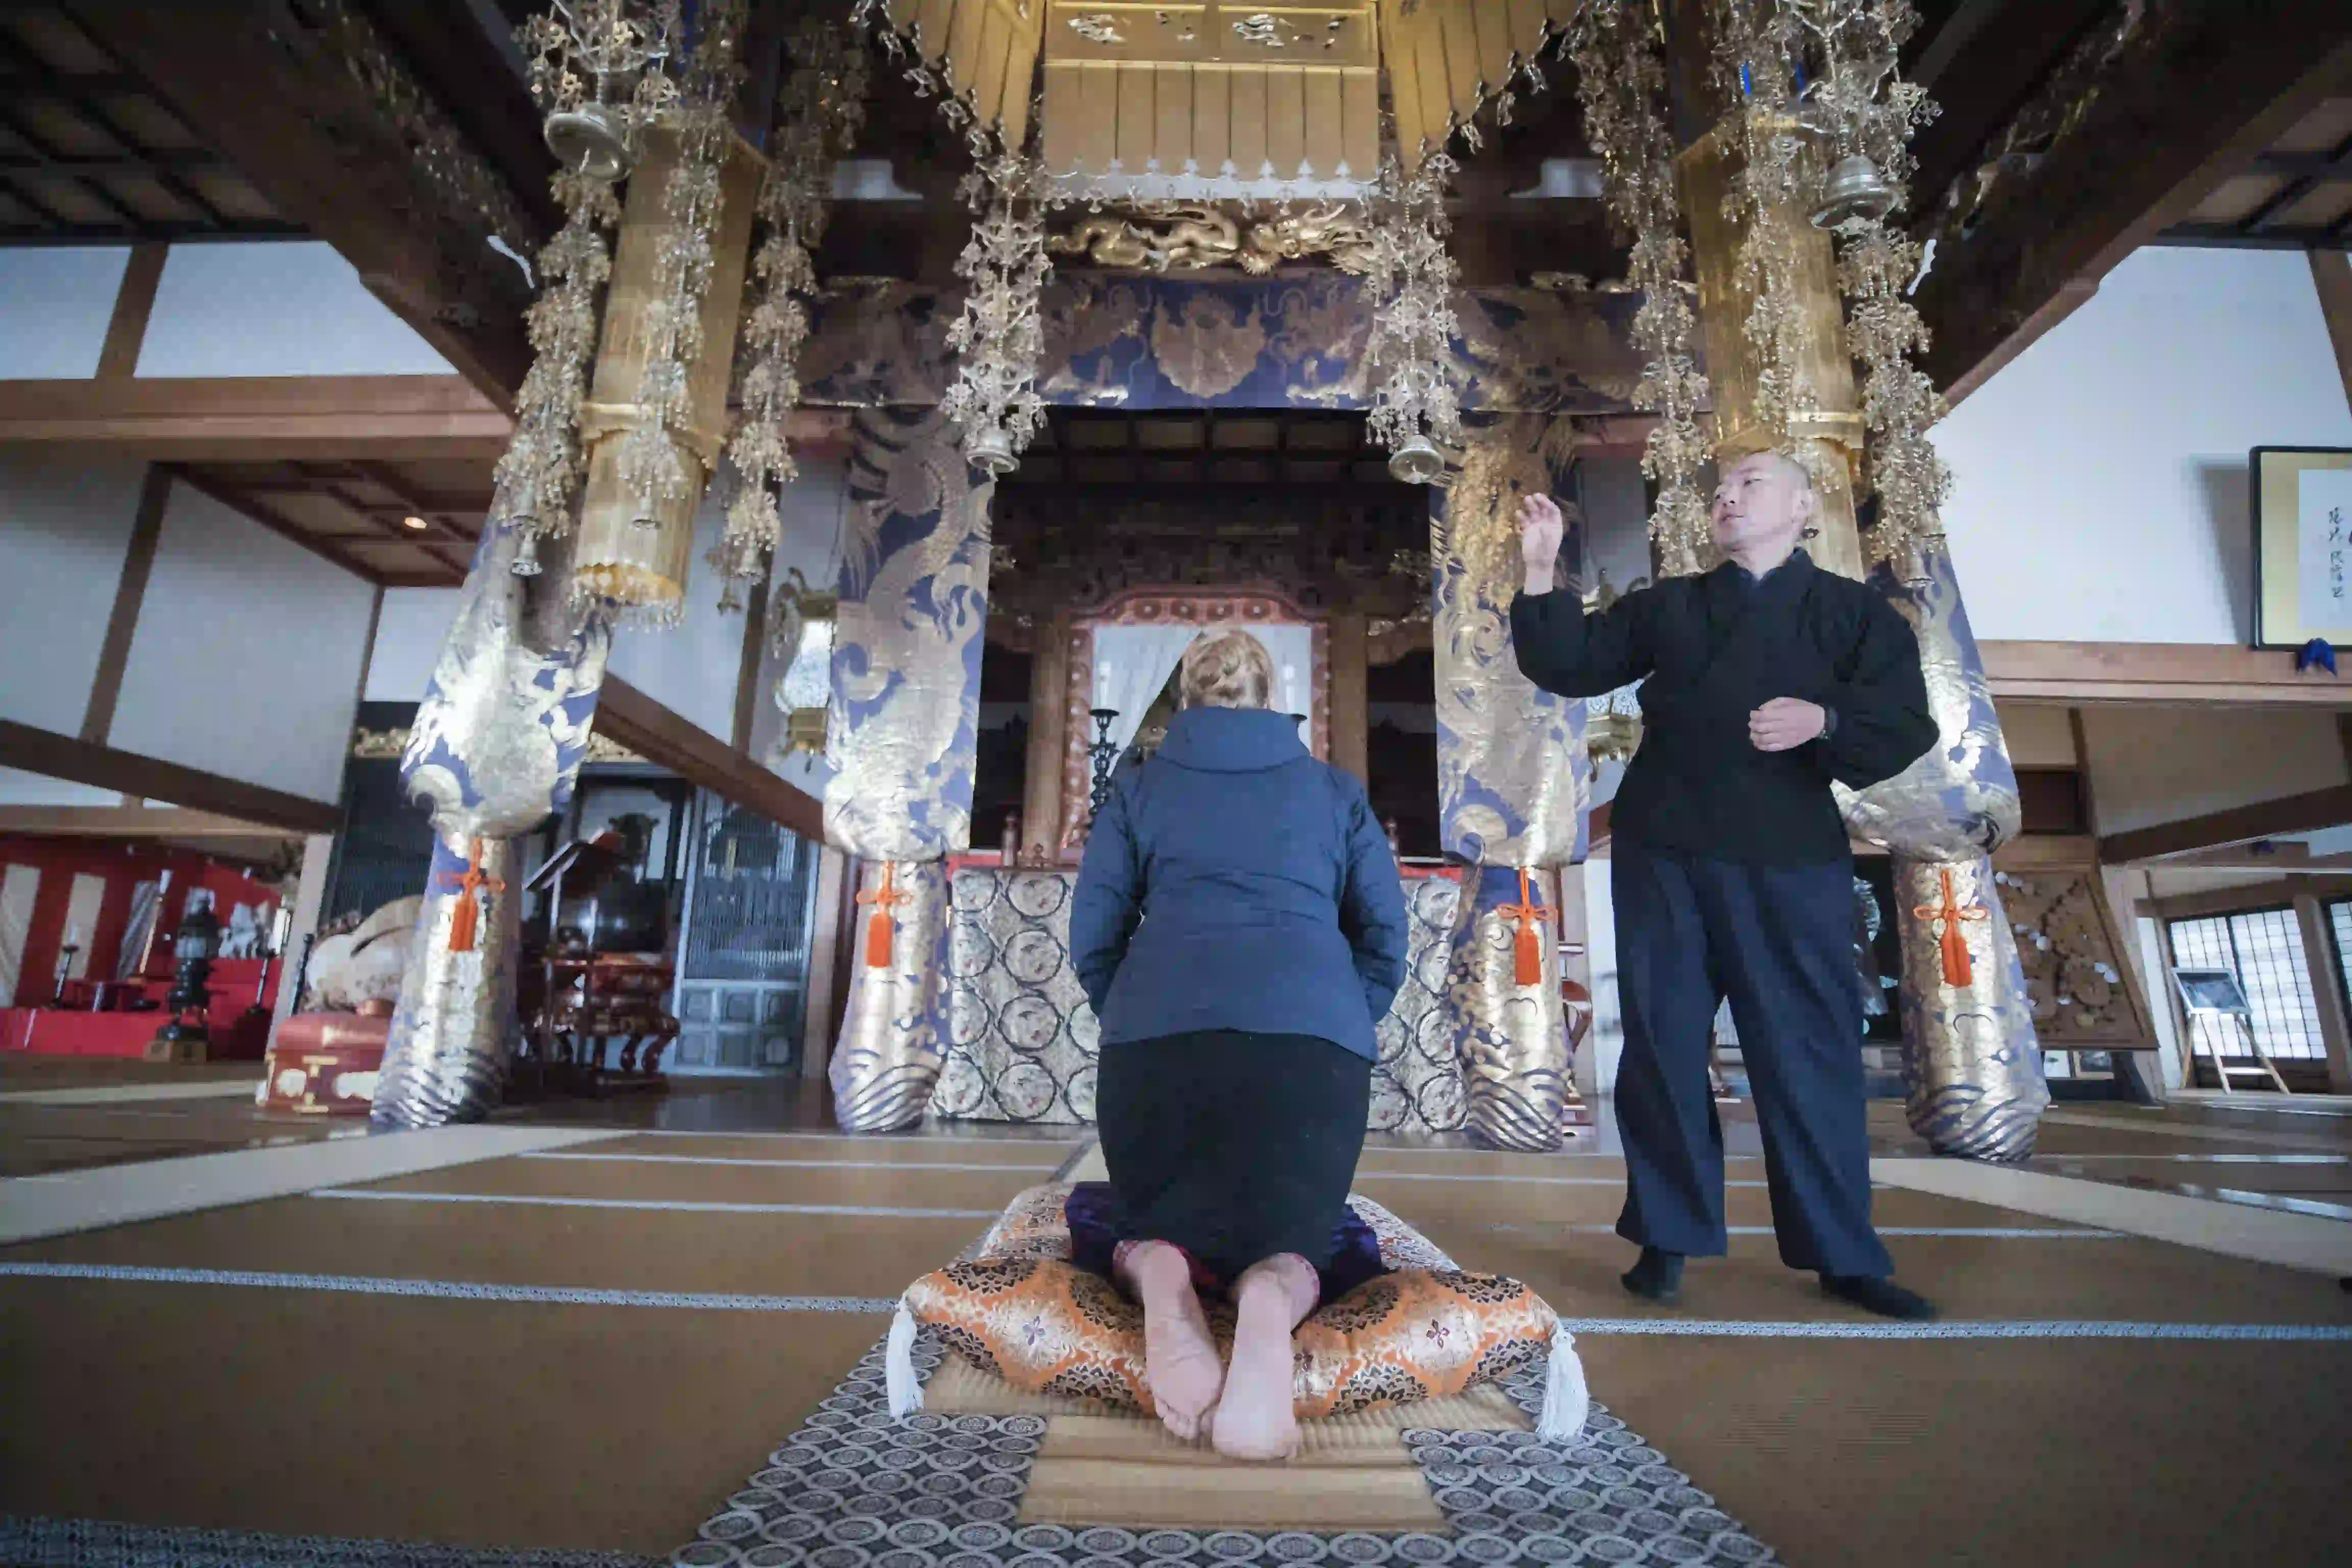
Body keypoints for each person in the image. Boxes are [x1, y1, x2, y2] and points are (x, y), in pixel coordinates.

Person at [1510, 450, 1942, 1320]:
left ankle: (1842, 1252)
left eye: (1749, 485)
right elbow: (1569, 661)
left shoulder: (1855, 615)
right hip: (1665, 848)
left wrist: (1826, 720)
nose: (1728, 499)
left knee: (1807, 1054)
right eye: (1720, 493)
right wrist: (1538, 564)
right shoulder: (1673, 605)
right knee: (1664, 1047)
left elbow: (1906, 724)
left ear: (1803, 508)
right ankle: (1666, 1236)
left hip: (1789, 853)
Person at [1068, 628, 1409, 1458]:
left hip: (1158, 1048)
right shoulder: (1334, 792)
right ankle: (1271, 1293)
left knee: (1131, 1214)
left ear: (1183, 700)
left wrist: (1136, 1011)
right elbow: (1385, 937)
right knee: (1307, 1235)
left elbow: (1093, 936)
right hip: (1312, 1051)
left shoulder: (1138, 789)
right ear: (1274, 699)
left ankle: (1158, 1269)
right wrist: (1339, 1016)